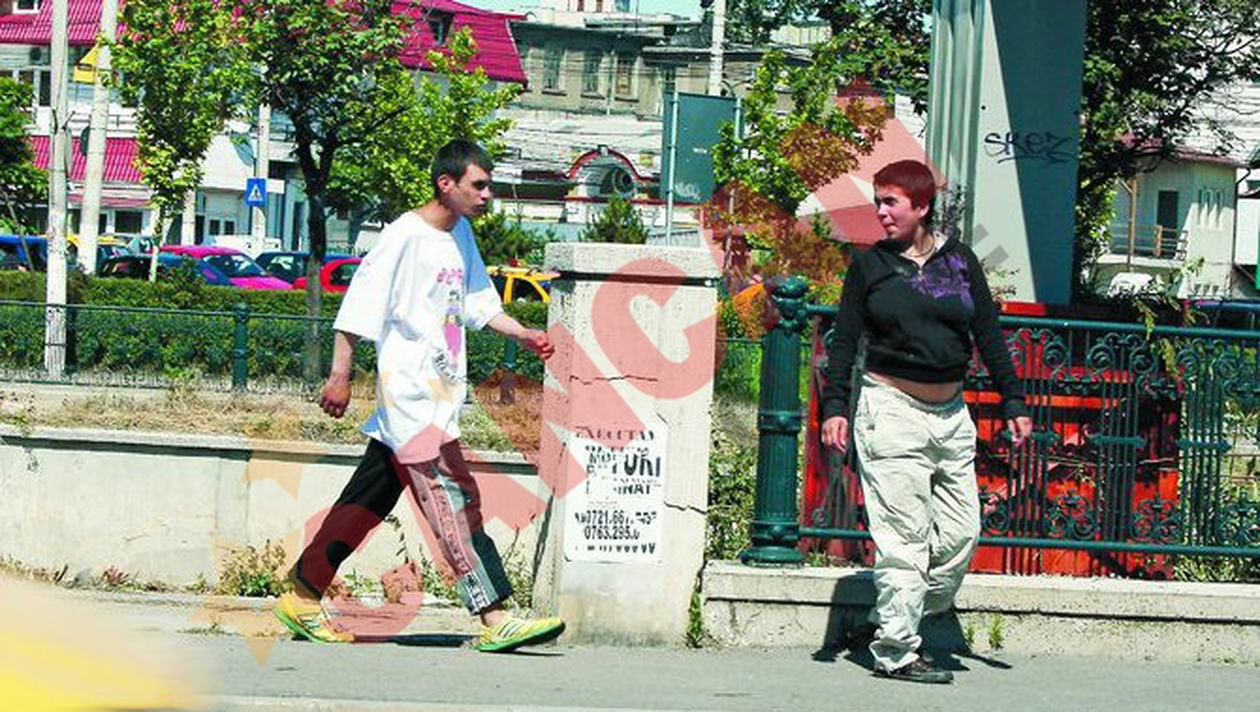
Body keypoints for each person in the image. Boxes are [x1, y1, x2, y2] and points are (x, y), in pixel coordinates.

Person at [273, 139, 565, 653]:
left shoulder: (461, 234)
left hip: (437, 395)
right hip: (411, 399)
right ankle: (495, 615)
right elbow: (358, 307)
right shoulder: (403, 237)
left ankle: (301, 596)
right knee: (455, 503)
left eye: (489, 186)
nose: (487, 195)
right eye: (479, 185)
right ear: (445, 183)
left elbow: (478, 303)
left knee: (362, 505)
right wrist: (340, 375)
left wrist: (521, 333)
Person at [819, 159, 1031, 684]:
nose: (881, 212)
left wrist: (1014, 400)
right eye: (878, 202)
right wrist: (835, 407)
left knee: (962, 535)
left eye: (891, 202)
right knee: (905, 540)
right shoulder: (869, 266)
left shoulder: (959, 261)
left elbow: (989, 334)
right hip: (890, 411)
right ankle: (895, 649)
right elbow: (844, 341)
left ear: (921, 206)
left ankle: (895, 613)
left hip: (951, 415)